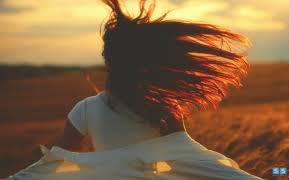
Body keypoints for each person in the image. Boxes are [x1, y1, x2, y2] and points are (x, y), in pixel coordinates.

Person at [7, 0, 262, 179]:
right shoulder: (162, 106)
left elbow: (55, 163)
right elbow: (184, 151)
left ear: (108, 62)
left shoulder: (85, 109)